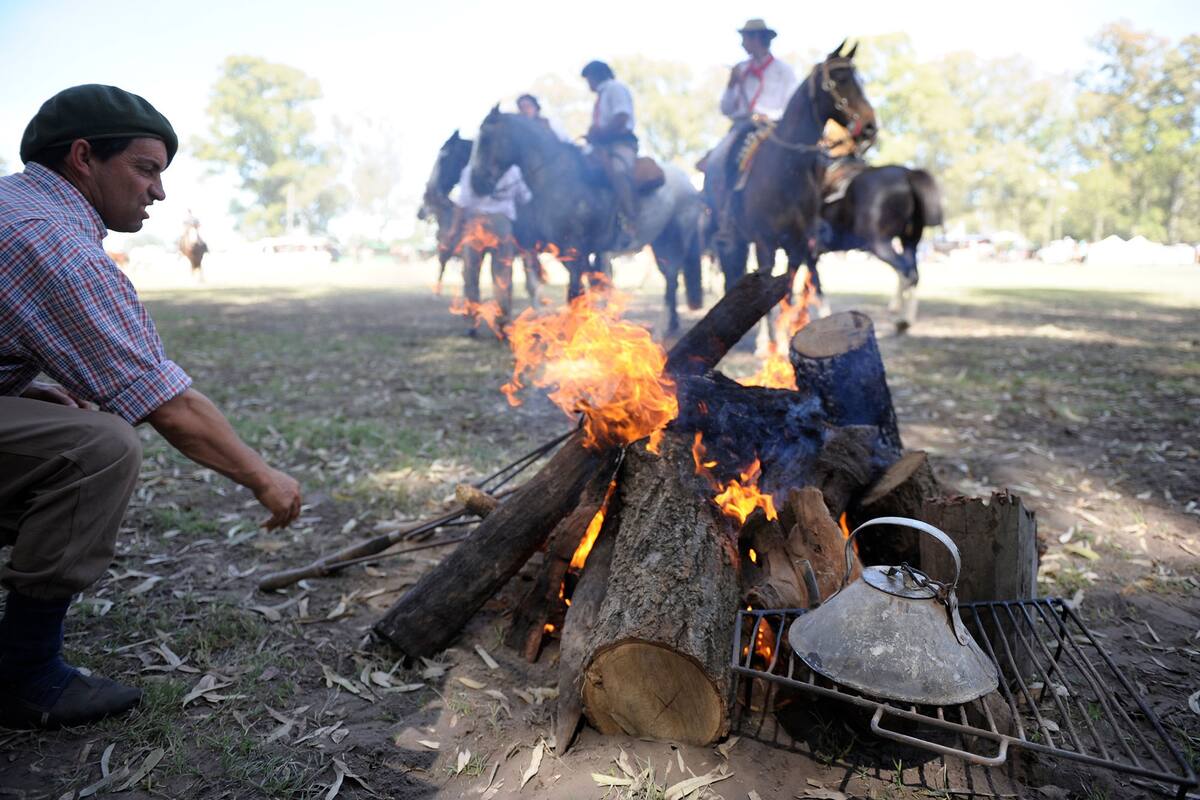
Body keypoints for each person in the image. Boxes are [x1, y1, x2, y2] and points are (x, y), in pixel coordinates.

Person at [0, 84, 302, 728]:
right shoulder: (49, 240)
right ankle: (24, 672)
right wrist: (263, 476)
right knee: (97, 446)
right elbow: (165, 402)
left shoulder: (14, 207)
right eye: (145, 170)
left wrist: (23, 390)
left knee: (66, 417)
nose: (158, 193)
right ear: (83, 157)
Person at [450, 161, 531, 333]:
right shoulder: (513, 170)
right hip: (502, 223)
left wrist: (454, 230)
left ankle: (472, 322)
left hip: (475, 224)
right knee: (502, 275)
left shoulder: (471, 169)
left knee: (471, 275)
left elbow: (462, 203)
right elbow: (525, 198)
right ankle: (503, 323)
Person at [581, 60, 638, 239]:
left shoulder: (615, 88)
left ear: (595, 76)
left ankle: (630, 219)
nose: (587, 83)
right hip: (601, 146)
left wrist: (600, 134)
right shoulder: (601, 96)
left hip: (620, 143)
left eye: (588, 79)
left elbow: (621, 117)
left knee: (618, 171)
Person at [720, 18, 798, 123]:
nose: (742, 44)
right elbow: (726, 110)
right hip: (740, 127)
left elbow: (791, 107)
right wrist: (731, 84)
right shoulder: (741, 69)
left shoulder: (784, 70)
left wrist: (767, 116)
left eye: (745, 39)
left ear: (756, 38)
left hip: (773, 128)